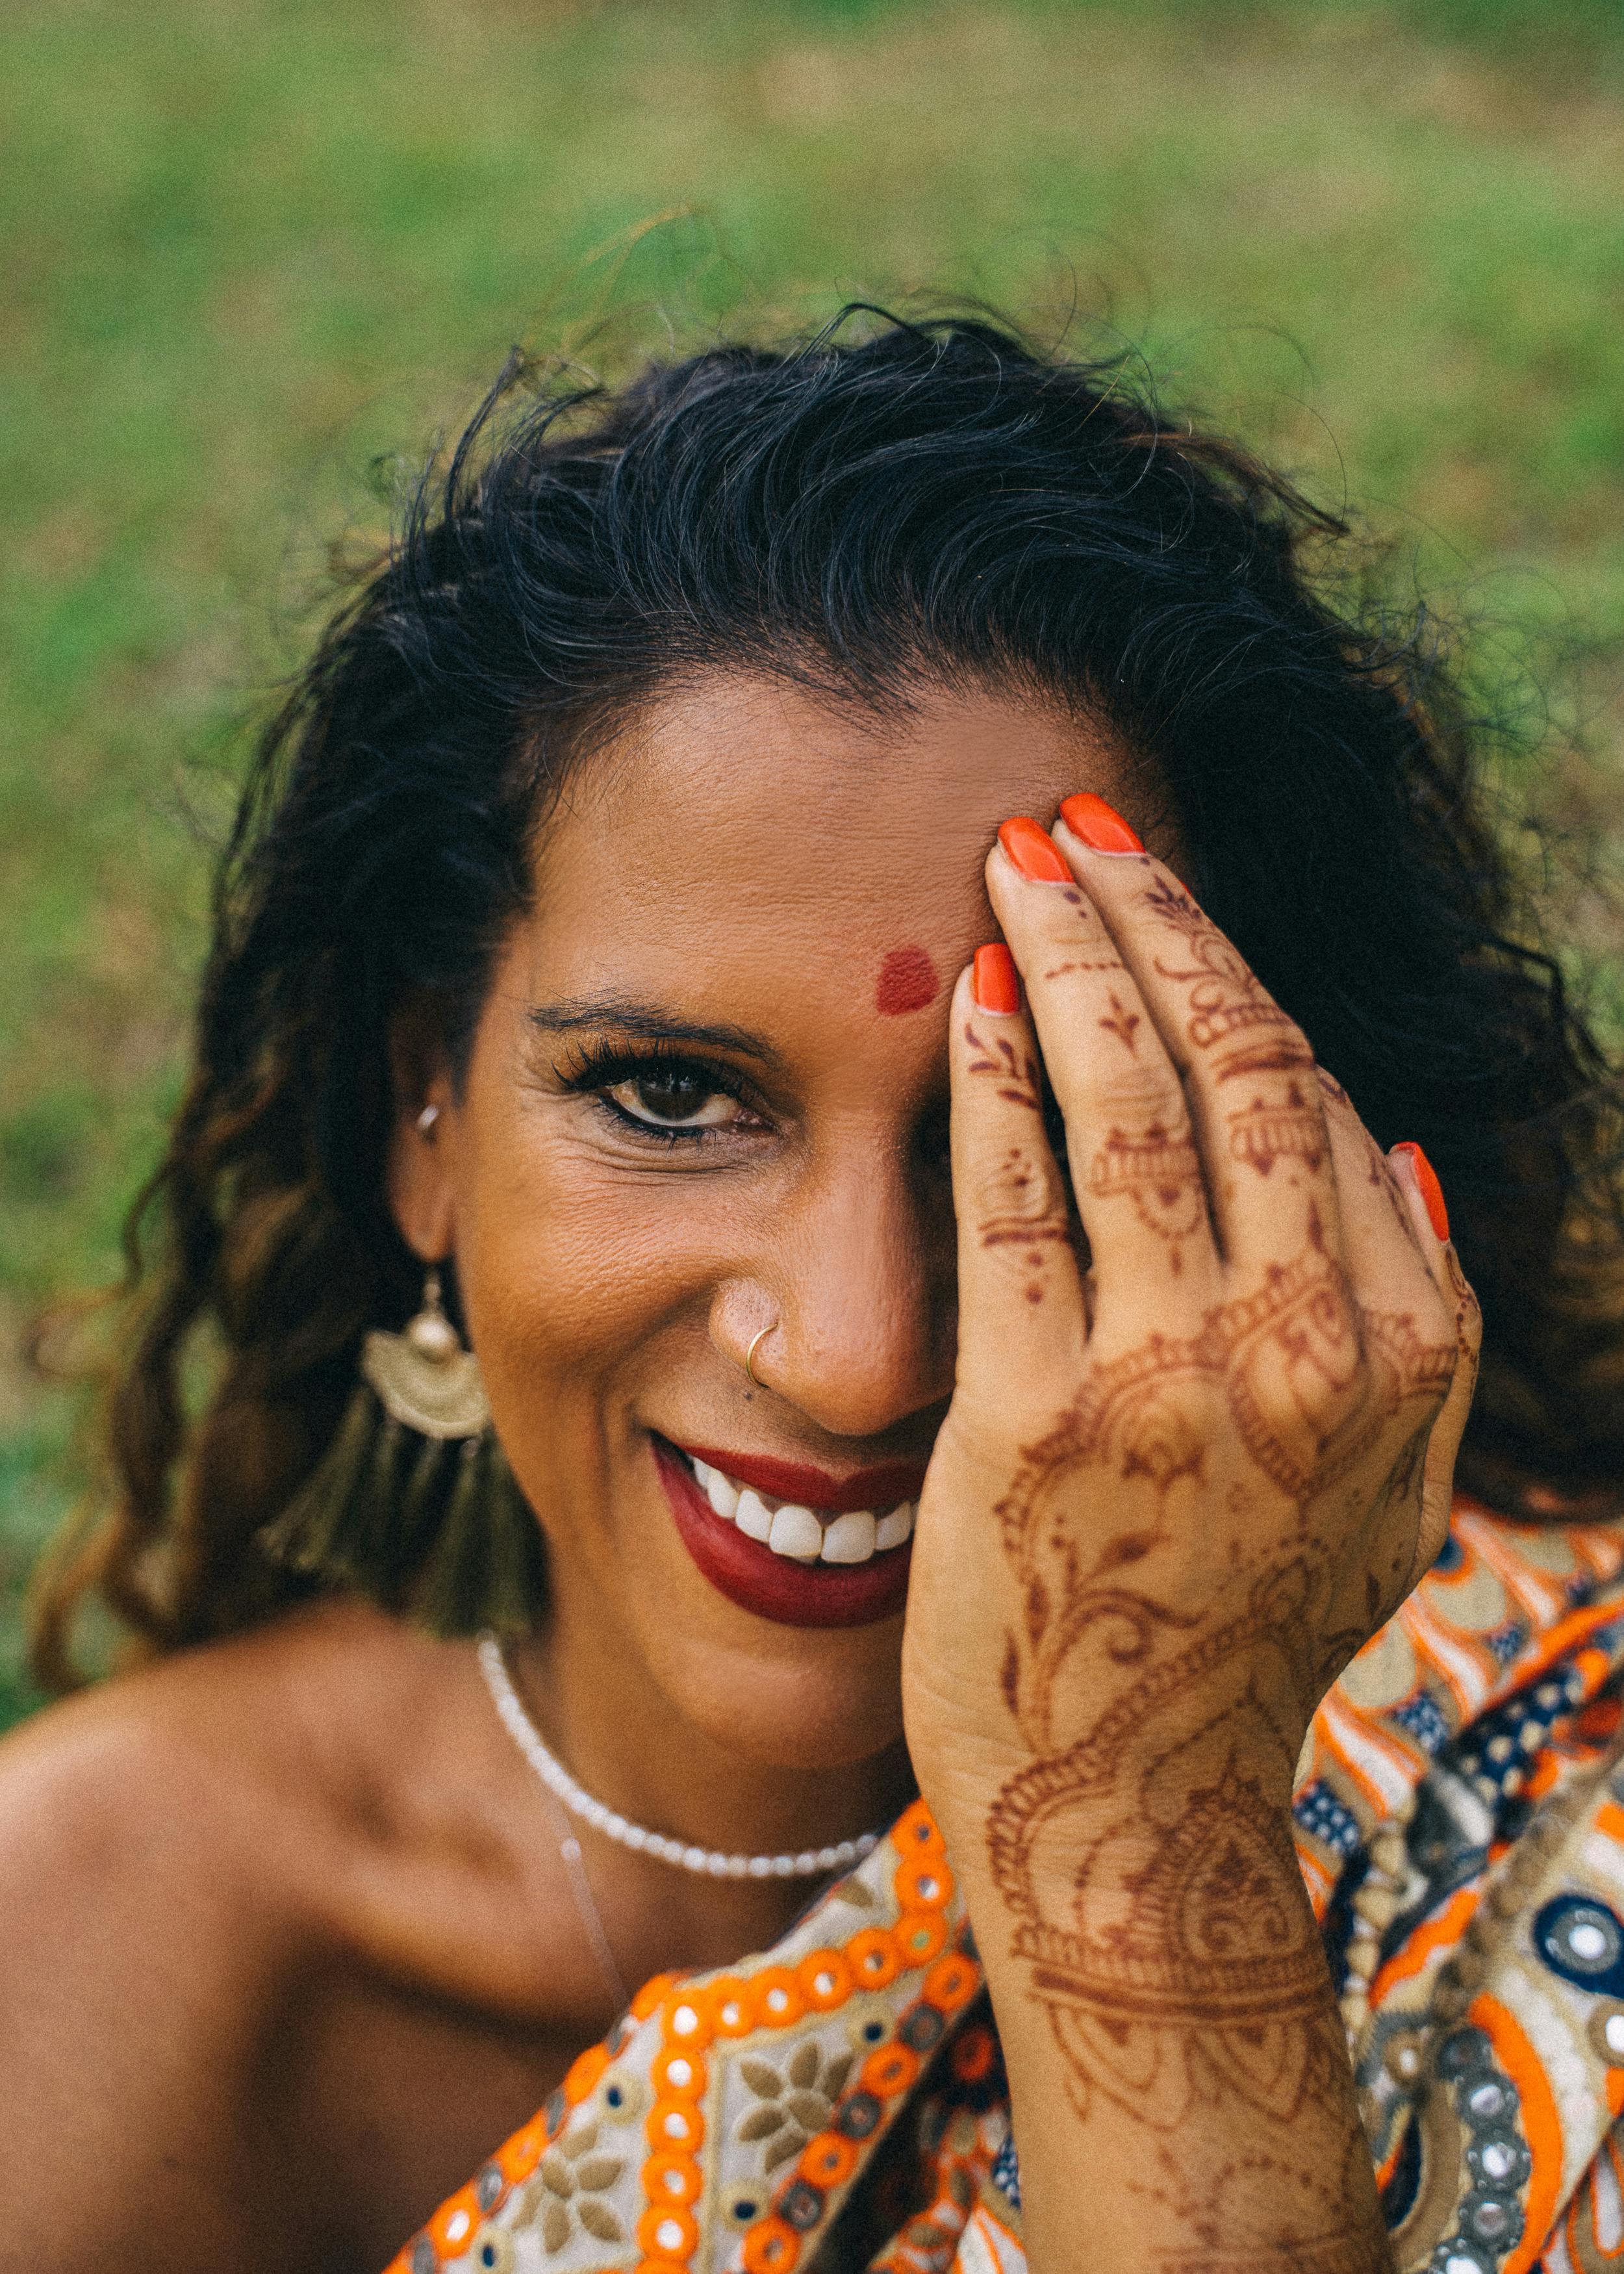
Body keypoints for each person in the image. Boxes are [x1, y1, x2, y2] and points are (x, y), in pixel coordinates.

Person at [2, 311, 1621, 2274]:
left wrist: (1138, 1839)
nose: (856, 1354)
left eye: (1016, 1135)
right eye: (671, 1096)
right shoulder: (78, 1949)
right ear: (424, 1115)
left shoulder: (1539, 1770)